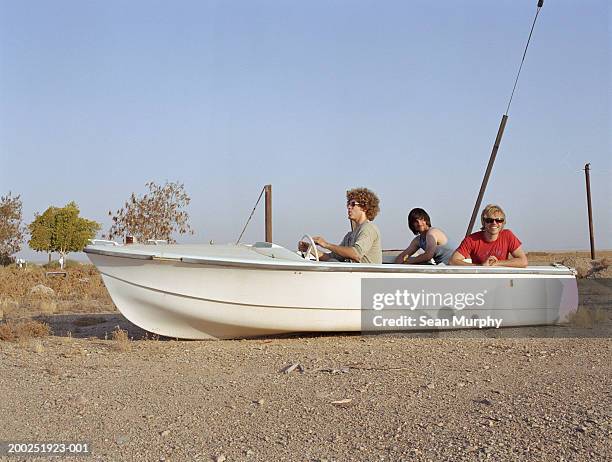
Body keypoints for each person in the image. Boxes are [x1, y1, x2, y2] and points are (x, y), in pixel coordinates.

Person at [298, 187, 382, 264]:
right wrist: (311, 249)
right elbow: (331, 257)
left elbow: (356, 254)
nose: (349, 207)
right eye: (348, 204)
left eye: (353, 204)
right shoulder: (350, 235)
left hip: (366, 278)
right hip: (355, 277)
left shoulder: (368, 229)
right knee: (332, 261)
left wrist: (326, 244)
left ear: (364, 207)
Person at [449, 204, 528, 267]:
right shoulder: (471, 239)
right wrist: (481, 266)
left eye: (499, 220)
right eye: (489, 220)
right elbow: (453, 261)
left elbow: (523, 261)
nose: (494, 223)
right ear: (484, 222)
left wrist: (496, 263)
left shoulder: (508, 235)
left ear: (503, 222)